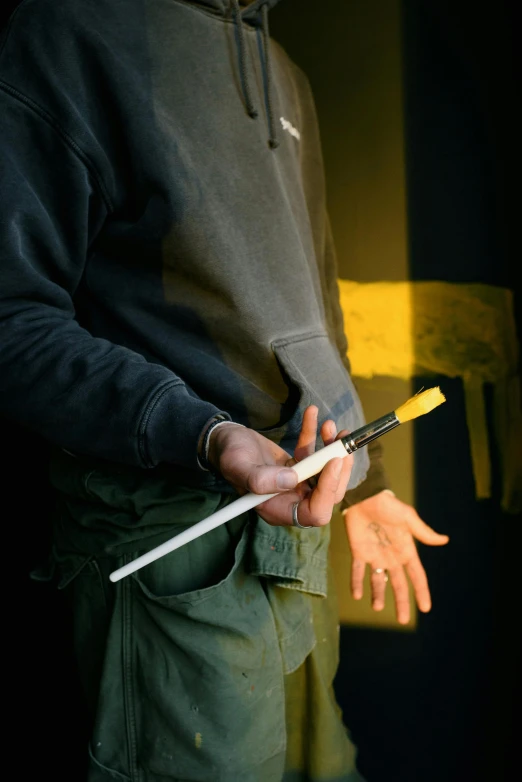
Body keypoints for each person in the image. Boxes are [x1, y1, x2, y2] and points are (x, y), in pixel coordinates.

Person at [0, 1, 449, 780]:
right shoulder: (64, 32)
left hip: (295, 528)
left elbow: (313, 300)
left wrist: (363, 482)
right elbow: (11, 318)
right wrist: (202, 433)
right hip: (165, 531)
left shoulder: (281, 71)